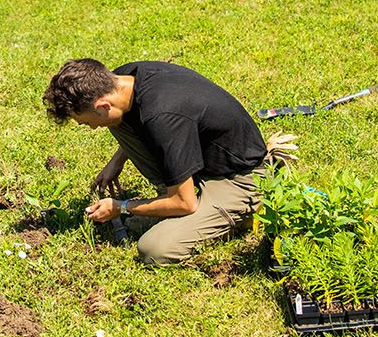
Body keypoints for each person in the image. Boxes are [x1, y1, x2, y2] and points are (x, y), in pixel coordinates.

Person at [42, 58, 271, 265]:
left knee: (154, 248)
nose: (92, 128)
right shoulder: (123, 80)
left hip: (240, 179)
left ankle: (239, 213)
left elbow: (185, 203)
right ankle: (172, 197)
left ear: (103, 105)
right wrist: (117, 161)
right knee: (117, 121)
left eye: (87, 122)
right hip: (204, 155)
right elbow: (142, 122)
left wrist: (121, 207)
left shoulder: (162, 115)